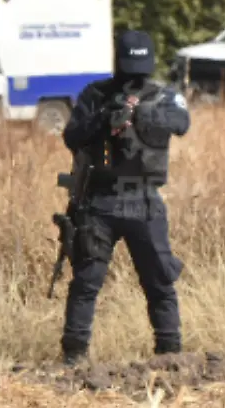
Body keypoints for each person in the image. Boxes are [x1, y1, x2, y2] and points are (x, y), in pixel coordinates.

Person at [59, 30, 191, 364]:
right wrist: (104, 120)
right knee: (87, 281)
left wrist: (141, 114)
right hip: (99, 202)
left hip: (144, 201)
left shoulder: (163, 95)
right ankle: (74, 356)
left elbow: (181, 122)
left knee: (159, 280)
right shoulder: (95, 95)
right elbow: (72, 136)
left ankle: (169, 354)